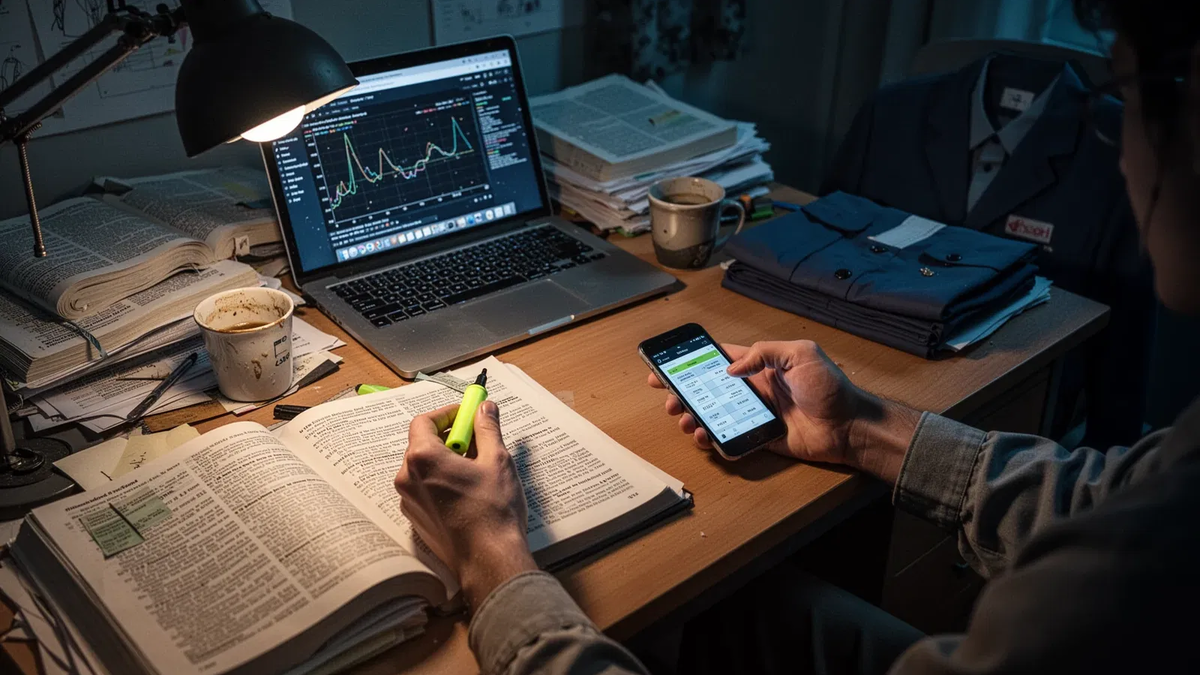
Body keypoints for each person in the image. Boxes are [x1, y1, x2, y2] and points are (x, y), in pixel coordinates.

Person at [392, 1, 1200, 673]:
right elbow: (1098, 490)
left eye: (1121, 111)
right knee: (731, 605)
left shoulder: (1112, 585)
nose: (1119, 156)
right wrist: (860, 426)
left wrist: (493, 557)